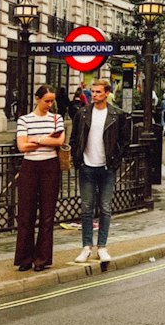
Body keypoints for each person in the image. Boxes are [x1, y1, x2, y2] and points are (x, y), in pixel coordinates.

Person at [70, 77, 129, 264]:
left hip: (106, 167)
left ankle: (102, 246)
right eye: (92, 92)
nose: (94, 95)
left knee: (105, 208)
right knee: (86, 208)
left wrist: (115, 161)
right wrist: (77, 159)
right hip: (87, 166)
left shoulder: (117, 115)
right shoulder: (82, 113)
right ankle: (86, 247)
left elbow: (124, 141)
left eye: (98, 92)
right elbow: (74, 139)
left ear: (106, 93)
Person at [14, 84, 66, 271]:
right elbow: (22, 146)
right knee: (26, 214)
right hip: (29, 166)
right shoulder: (24, 120)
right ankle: (25, 258)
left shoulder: (56, 118)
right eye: (46, 101)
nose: (49, 104)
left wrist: (37, 140)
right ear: (37, 99)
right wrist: (46, 140)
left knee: (47, 215)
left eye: (52, 101)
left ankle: (42, 259)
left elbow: (59, 141)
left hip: (50, 166)